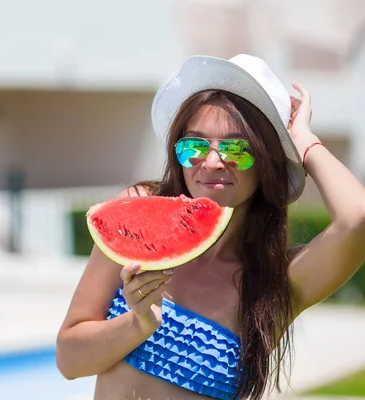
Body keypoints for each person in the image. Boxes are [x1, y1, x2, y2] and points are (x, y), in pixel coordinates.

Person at [55, 54, 365, 400]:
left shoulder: (279, 282)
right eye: (194, 146)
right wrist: (137, 324)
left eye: (237, 149)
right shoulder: (138, 209)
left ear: (266, 162)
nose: (213, 161)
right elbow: (69, 361)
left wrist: (302, 140)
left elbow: (357, 217)